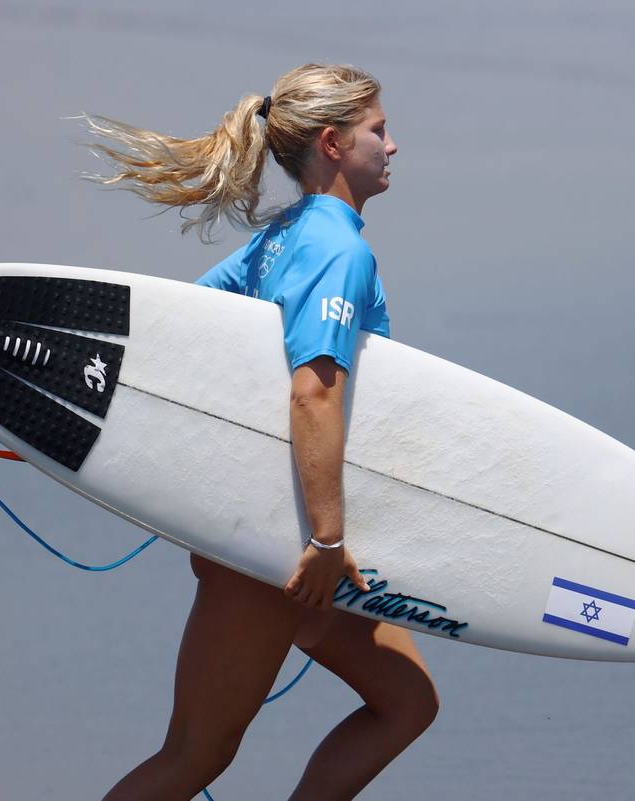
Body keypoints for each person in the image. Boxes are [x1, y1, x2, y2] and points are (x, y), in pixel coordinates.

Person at [79, 63, 439, 801]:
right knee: (194, 756)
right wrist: (328, 541)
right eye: (378, 130)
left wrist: (67, 416)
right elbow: (314, 393)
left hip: (290, 541)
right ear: (334, 144)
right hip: (286, 551)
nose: (394, 145)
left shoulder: (283, 238)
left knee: (406, 702)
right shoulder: (338, 250)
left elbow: (178, 338)